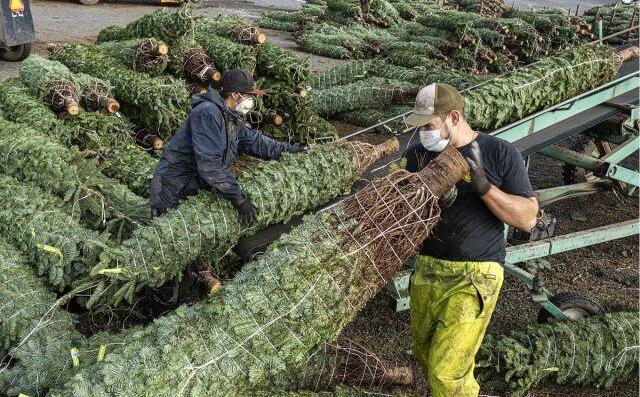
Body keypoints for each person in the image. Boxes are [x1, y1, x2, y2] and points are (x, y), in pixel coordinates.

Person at [404, 83, 539, 397]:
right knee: (427, 359)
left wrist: (484, 188)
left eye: (429, 126)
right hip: (427, 270)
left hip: (475, 275)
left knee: (446, 372)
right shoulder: (418, 155)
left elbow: (528, 218)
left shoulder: (498, 153)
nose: (423, 133)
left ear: (453, 117)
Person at [149, 69, 305, 224]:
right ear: (235, 95)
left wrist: (290, 150)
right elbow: (209, 166)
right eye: (249, 96)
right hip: (173, 190)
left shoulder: (229, 116)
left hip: (194, 185)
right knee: (173, 235)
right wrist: (239, 199)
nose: (251, 101)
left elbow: (254, 141)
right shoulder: (207, 114)